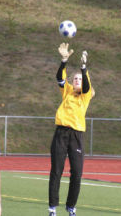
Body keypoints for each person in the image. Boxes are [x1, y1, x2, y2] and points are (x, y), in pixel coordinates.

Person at [48, 43, 94, 216]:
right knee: (56, 171)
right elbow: (60, 77)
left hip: (76, 135)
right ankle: (52, 208)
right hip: (60, 133)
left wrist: (83, 68)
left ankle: (71, 206)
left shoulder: (85, 95)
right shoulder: (67, 91)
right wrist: (64, 61)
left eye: (79, 79)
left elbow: (88, 86)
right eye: (74, 78)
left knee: (77, 173)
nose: (76, 80)